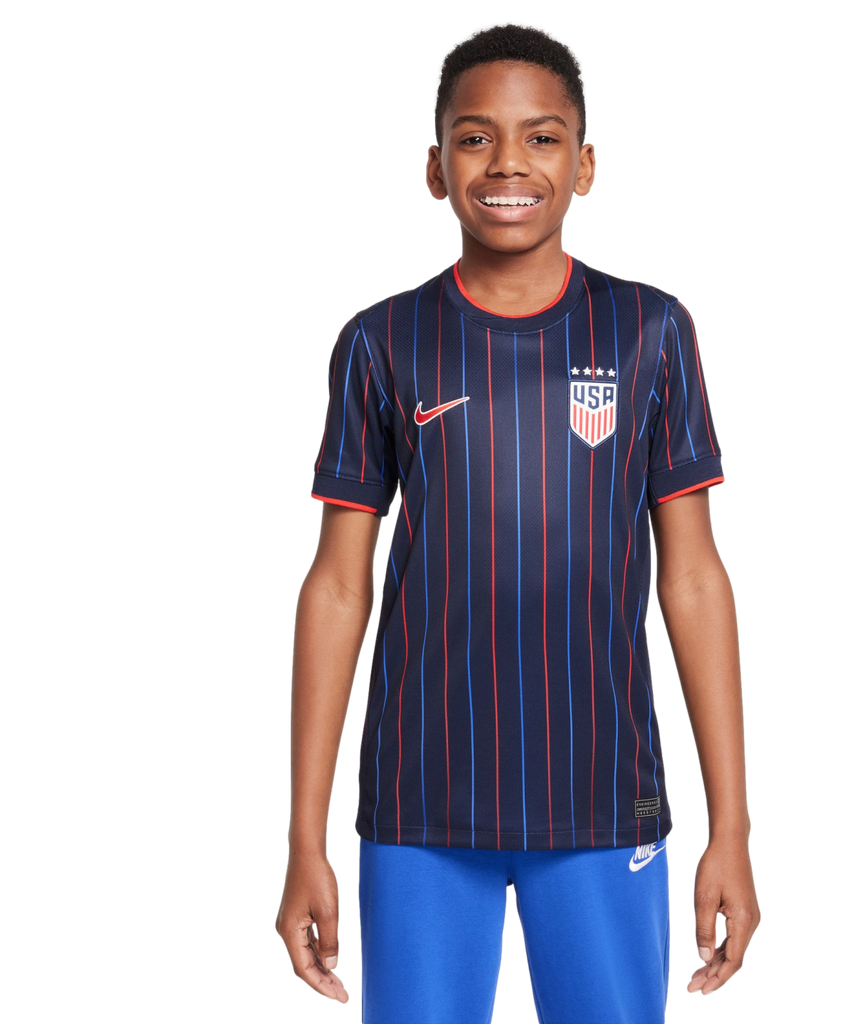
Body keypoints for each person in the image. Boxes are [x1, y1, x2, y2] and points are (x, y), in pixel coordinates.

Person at [273, 19, 761, 1020]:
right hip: (417, 809)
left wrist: (734, 830)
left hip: (606, 800)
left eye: (541, 137)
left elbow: (693, 577)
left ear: (585, 165)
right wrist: (304, 841)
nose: (506, 163)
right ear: (432, 168)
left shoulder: (652, 329)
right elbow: (336, 586)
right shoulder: (379, 340)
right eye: (473, 137)